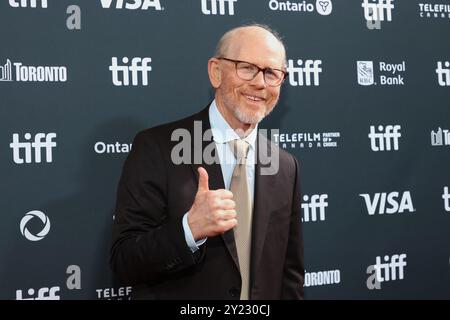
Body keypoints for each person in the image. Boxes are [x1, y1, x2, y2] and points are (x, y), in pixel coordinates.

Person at [110, 24, 304, 300]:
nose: (260, 83)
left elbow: (290, 275)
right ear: (216, 72)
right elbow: (124, 260)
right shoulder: (157, 148)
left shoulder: (286, 167)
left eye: (272, 73)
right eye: (247, 67)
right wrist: (189, 229)